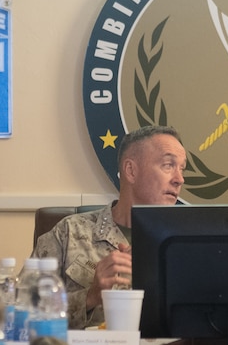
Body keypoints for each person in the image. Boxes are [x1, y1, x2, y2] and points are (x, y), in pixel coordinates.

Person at [34, 125, 186, 328]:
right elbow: (22, 312)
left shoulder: (185, 242)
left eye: (182, 168)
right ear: (131, 171)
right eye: (168, 165)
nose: (179, 179)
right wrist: (90, 297)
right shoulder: (69, 233)